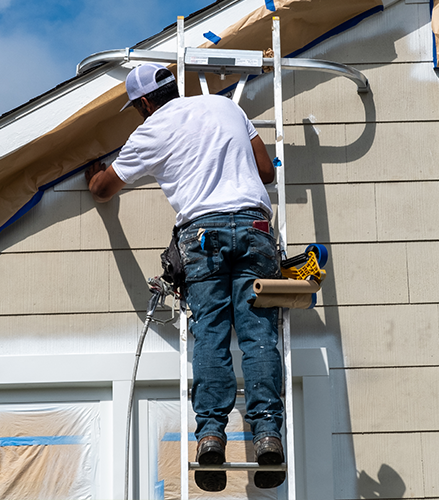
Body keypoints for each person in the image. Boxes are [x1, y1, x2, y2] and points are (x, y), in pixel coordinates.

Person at [86, 62, 285, 492]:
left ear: (142, 103)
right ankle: (269, 435)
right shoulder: (225, 107)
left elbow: (105, 189)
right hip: (255, 228)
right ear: (173, 87)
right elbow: (266, 172)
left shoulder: (150, 131)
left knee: (211, 335)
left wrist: (92, 174)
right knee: (258, 336)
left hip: (204, 235)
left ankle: (211, 436)